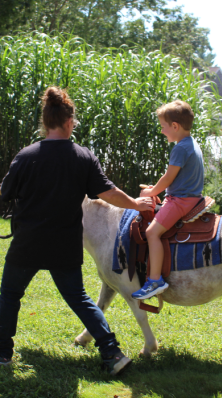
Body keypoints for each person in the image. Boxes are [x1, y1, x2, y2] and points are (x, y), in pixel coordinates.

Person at [0, 86, 154, 374]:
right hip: (65, 245)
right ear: (69, 122)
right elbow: (109, 192)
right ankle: (112, 353)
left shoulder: (25, 155)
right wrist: (137, 204)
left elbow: (4, 192)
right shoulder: (83, 156)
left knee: (9, 295)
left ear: (45, 123)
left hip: (27, 244)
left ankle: (2, 355)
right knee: (80, 299)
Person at [132, 100, 204, 300]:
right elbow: (174, 179)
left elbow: (168, 178)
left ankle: (155, 280)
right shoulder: (191, 143)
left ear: (175, 126)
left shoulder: (180, 149)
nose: (162, 131)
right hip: (188, 197)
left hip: (180, 201)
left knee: (151, 232)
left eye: (163, 127)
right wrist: (155, 189)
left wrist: (150, 192)